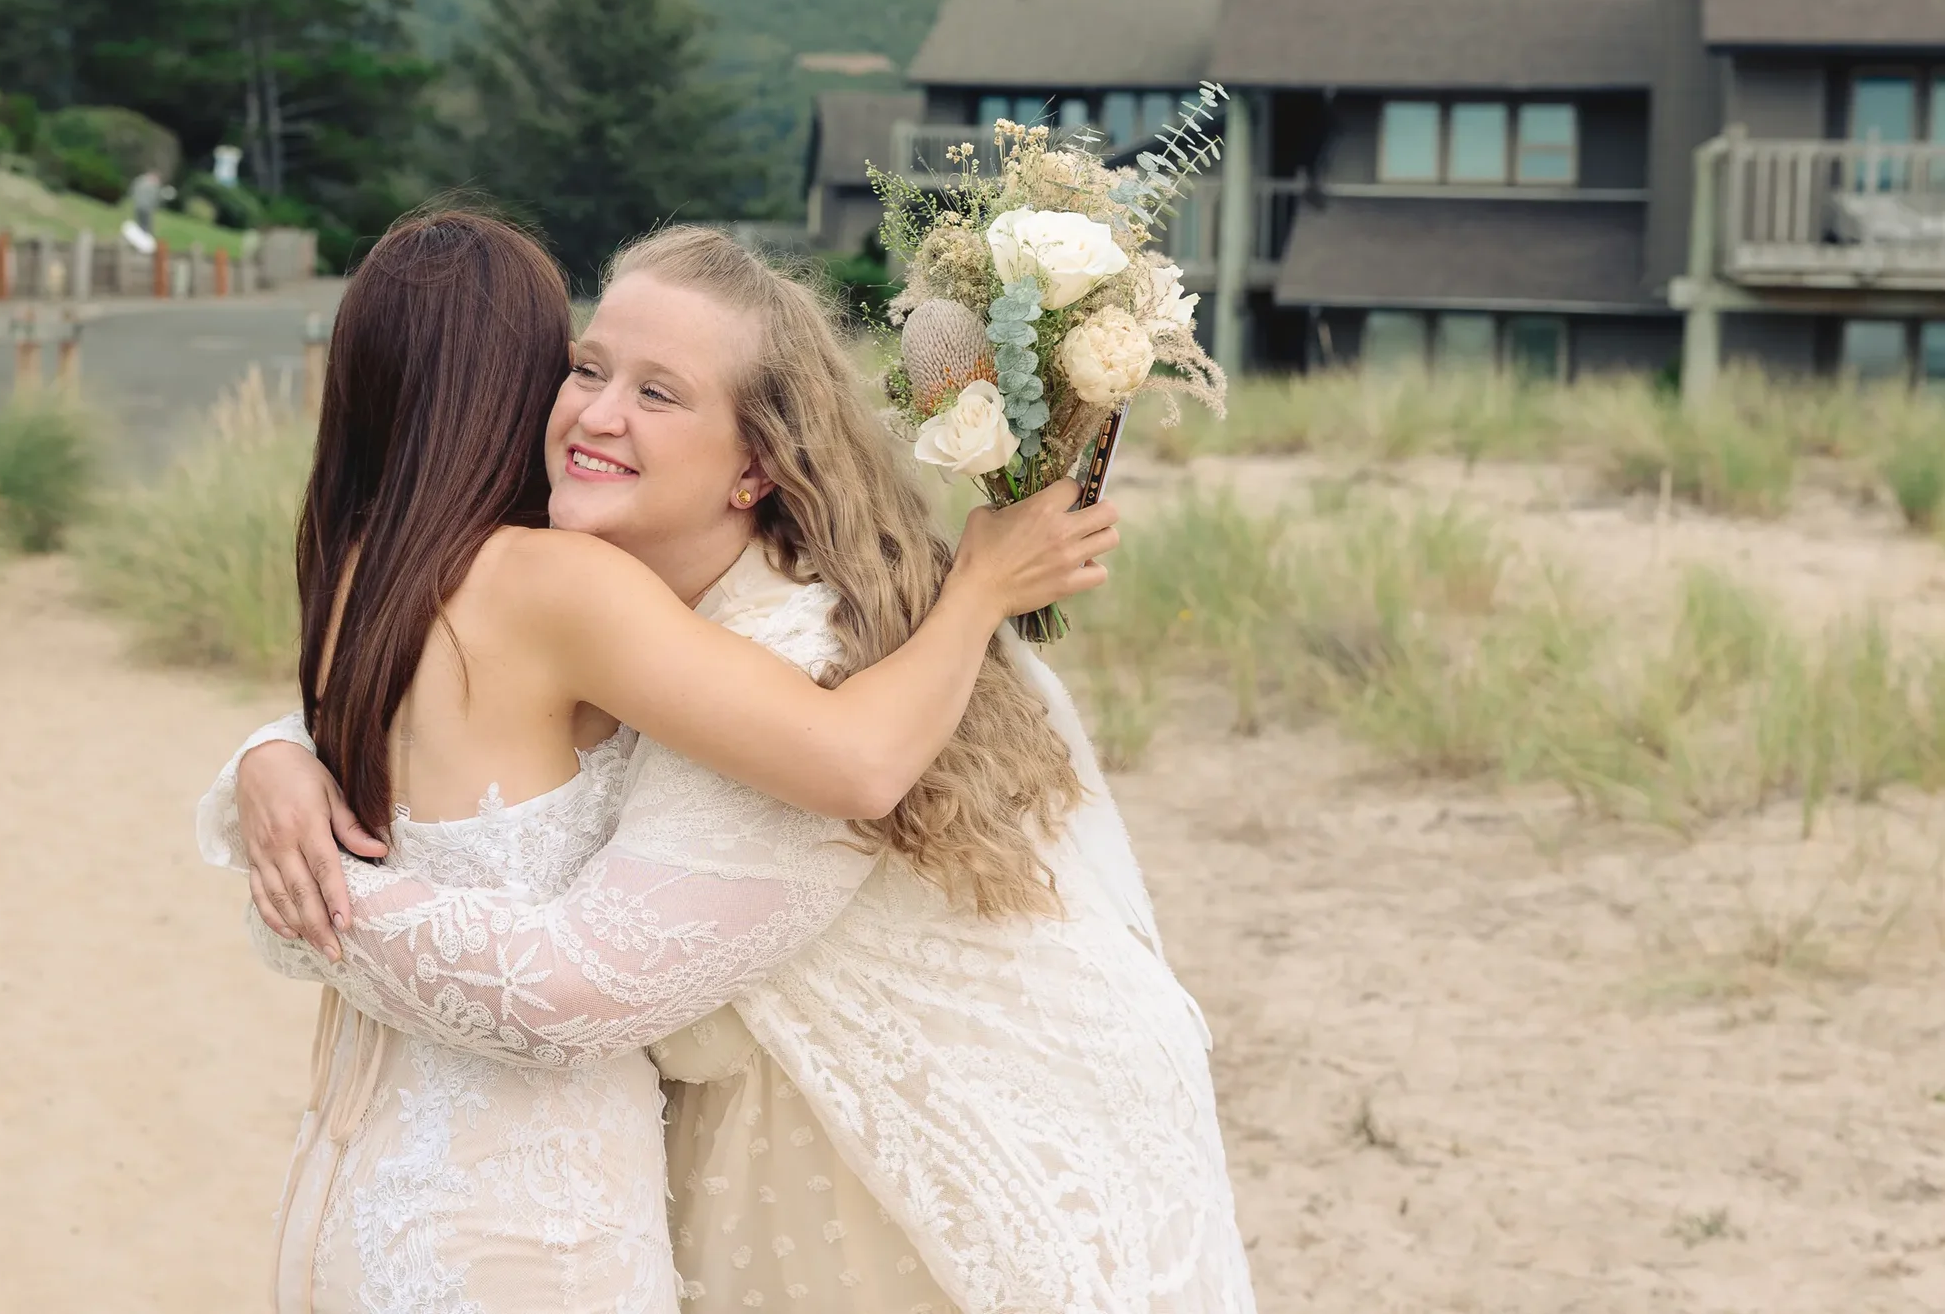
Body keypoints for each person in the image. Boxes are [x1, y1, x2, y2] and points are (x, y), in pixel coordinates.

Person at [217, 224, 1256, 1313]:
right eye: (584, 367)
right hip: (717, 1149)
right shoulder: (607, 614)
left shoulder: (802, 657)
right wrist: (273, 755)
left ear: (755, 464)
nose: (596, 413)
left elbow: (585, 975)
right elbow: (426, 716)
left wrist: (317, 898)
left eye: (658, 393)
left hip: (920, 1163)